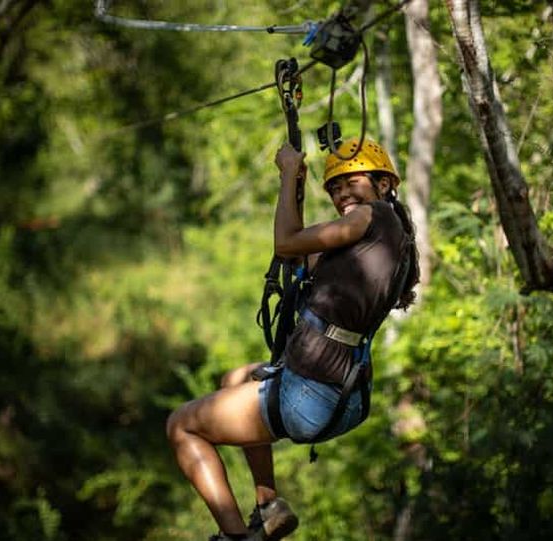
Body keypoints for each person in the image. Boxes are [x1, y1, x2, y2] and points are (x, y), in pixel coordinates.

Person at [166, 138, 420, 541]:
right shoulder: (391, 238)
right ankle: (268, 507)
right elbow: (297, 249)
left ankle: (234, 537)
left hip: (312, 393)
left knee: (182, 425)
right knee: (235, 379)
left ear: (384, 183)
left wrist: (287, 173)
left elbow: (284, 243)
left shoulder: (369, 217)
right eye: (334, 188)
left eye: (350, 181)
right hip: (347, 395)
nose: (341, 194)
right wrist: (295, 187)